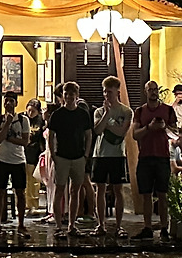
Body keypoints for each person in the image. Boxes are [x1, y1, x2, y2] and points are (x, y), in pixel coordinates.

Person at [48, 81, 92, 239]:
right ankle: (58, 226)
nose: (69, 97)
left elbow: (88, 135)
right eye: (66, 94)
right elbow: (51, 135)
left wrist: (86, 154)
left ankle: (72, 224)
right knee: (59, 190)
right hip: (62, 156)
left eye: (72, 94)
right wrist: (53, 155)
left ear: (76, 96)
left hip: (78, 156)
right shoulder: (57, 114)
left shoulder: (83, 114)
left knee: (76, 190)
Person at [132, 79, 175, 240]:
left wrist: (164, 127)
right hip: (145, 156)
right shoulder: (140, 111)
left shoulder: (168, 110)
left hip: (162, 157)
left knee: (163, 194)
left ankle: (164, 228)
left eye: (155, 89)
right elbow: (135, 135)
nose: (153, 92)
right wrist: (149, 128)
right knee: (146, 195)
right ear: (145, 92)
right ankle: (147, 227)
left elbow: (175, 133)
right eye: (150, 90)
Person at [91, 75, 132, 237]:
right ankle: (101, 224)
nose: (106, 95)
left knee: (118, 190)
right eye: (104, 92)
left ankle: (119, 225)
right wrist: (106, 115)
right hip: (100, 154)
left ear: (117, 92)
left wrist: (107, 126)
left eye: (109, 92)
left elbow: (121, 132)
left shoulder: (126, 111)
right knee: (99, 189)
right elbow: (97, 130)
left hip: (117, 155)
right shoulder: (99, 111)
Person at [0, 92, 32, 238]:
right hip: (2, 159)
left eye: (11, 101)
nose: (8, 103)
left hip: (18, 160)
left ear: (16, 103)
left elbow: (25, 141)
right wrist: (7, 123)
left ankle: (21, 224)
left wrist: (8, 137)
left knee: (20, 192)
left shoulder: (23, 120)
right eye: (6, 100)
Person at [23, 97, 46, 210]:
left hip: (35, 154)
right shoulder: (22, 119)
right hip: (23, 154)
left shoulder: (41, 120)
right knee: (23, 181)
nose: (30, 113)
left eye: (33, 111)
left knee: (34, 181)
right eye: (29, 110)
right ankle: (23, 205)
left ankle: (33, 206)